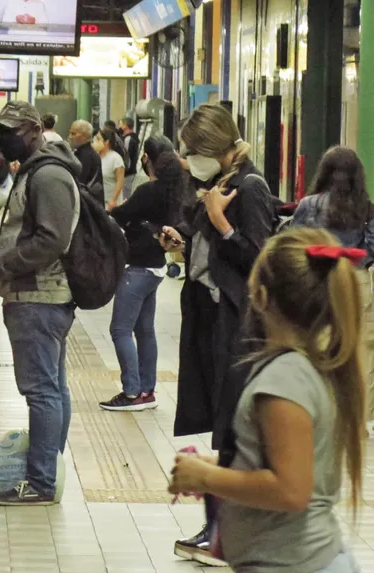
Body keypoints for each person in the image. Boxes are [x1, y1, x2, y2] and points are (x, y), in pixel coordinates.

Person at [169, 226, 366, 573]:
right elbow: (287, 465)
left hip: (294, 563)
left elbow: (291, 490)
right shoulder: (309, 367)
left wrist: (207, 478)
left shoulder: (284, 380)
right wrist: (218, 468)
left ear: (259, 295)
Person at [158, 104, 277, 566]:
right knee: (220, 421)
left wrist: (223, 224)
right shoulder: (218, 186)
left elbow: (261, 260)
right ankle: (222, 530)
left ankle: (224, 533)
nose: (188, 160)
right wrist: (185, 242)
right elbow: (219, 257)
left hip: (240, 325)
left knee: (233, 427)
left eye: (194, 150)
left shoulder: (250, 187)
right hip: (209, 317)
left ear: (218, 148)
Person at [0, 100, 81, 506]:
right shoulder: (37, 170)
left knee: (42, 393)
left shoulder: (49, 175)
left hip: (39, 297)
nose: (3, 140)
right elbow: (34, 232)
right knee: (52, 388)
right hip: (38, 296)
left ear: (35, 130)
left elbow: (52, 240)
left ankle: (41, 483)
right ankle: (50, 471)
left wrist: (1, 266)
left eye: (12, 131)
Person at [100, 136, 189, 411]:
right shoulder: (176, 191)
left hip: (137, 268)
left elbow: (119, 215)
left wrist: (117, 211)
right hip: (156, 267)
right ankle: (146, 391)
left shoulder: (149, 191)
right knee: (145, 330)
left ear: (147, 158)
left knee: (120, 329)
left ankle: (131, 393)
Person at [290, 146, 374, 430]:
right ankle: (357, 420)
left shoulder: (308, 205)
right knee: (359, 351)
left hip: (318, 279)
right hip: (355, 281)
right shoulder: (366, 208)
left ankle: (318, 414)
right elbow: (373, 248)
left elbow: (294, 242)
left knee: (318, 346)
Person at [94, 126, 127, 210]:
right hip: (98, 202)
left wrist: (113, 200)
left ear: (107, 142)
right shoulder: (96, 157)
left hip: (111, 204)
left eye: (98, 139)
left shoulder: (115, 158)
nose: (95, 142)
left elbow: (120, 181)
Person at [68, 120, 103, 194]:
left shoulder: (86, 156)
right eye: (70, 133)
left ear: (84, 136)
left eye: (73, 134)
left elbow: (79, 183)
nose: (70, 137)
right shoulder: (84, 153)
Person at [119, 117, 140, 200]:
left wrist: (124, 170)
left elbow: (126, 156)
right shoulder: (132, 137)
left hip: (128, 172)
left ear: (126, 126)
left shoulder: (128, 139)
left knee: (126, 195)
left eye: (121, 124)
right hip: (130, 171)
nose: (119, 127)